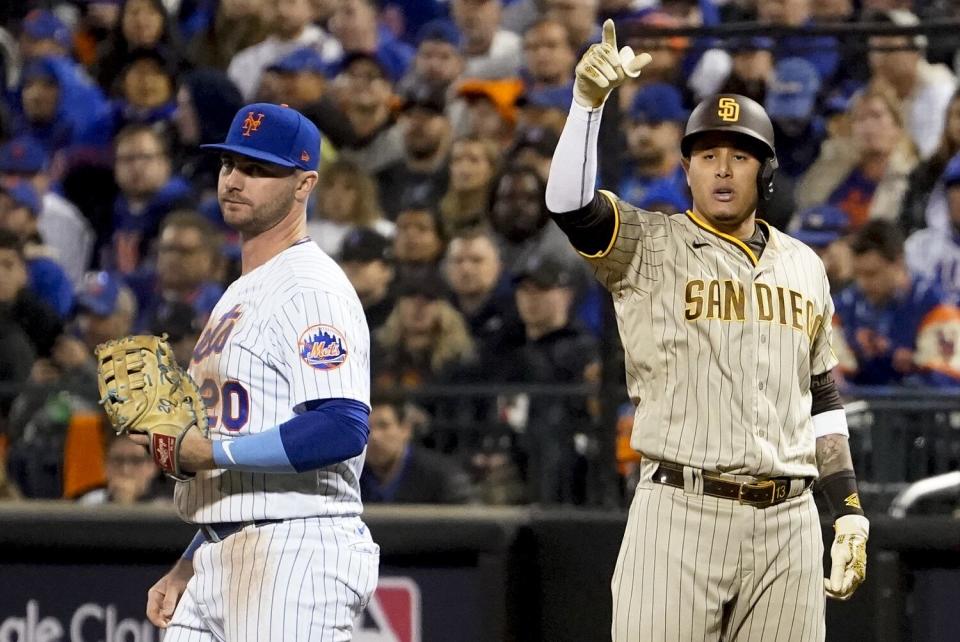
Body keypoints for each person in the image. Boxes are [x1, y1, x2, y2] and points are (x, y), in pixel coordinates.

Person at [546, 21, 869, 639]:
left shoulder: (805, 263)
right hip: (680, 512)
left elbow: (822, 397)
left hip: (789, 522)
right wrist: (587, 108)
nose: (723, 169)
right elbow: (569, 207)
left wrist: (848, 509)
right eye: (707, 155)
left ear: (765, 173)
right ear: (687, 170)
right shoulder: (650, 244)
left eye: (740, 155)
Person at [139, 103, 378, 640]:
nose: (235, 180)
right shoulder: (239, 291)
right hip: (222, 550)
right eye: (229, 164)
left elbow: (341, 424)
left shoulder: (310, 286)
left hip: (296, 551)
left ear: (304, 183)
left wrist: (212, 453)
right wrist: (190, 562)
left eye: (259, 169)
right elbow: (242, 464)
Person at [834, 220, 960, 387]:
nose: (863, 283)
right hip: (856, 408)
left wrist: (913, 365)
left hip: (916, 408)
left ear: (898, 264)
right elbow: (833, 376)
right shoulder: (843, 307)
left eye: (872, 274)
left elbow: (945, 381)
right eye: (857, 274)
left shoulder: (935, 305)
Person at [360, 394, 473, 504]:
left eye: (383, 426)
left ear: (406, 429)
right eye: (365, 427)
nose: (374, 436)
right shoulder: (350, 475)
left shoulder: (443, 479)